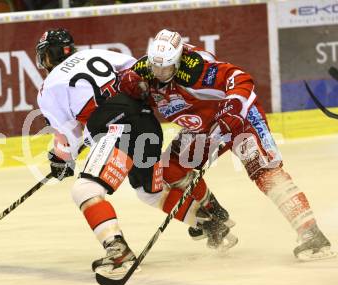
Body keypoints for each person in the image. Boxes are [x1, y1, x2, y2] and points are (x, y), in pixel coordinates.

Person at [35, 28, 239, 277]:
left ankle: (118, 252)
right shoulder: (97, 54)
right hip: (145, 123)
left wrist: (61, 161)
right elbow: (141, 73)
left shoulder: (48, 88)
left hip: (116, 128)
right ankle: (210, 223)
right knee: (149, 192)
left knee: (85, 189)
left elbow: (70, 137)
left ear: (46, 58)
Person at [124, 29, 334, 261]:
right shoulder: (143, 71)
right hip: (205, 129)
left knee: (266, 173)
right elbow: (122, 88)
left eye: (166, 68)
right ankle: (216, 221)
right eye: (155, 67)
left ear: (178, 61)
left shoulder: (196, 70)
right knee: (170, 168)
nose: (159, 73)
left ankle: (312, 235)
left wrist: (232, 106)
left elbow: (241, 77)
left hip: (239, 120)